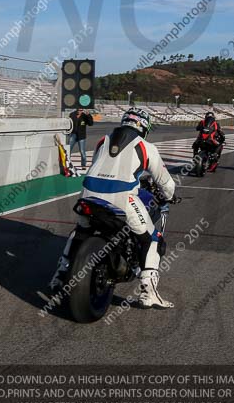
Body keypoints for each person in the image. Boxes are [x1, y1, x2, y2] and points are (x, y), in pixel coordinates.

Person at [51, 108, 177, 308]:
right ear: (144, 126)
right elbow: (167, 184)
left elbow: (99, 166)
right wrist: (170, 196)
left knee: (80, 231)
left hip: (88, 195)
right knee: (152, 239)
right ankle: (148, 292)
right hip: (123, 199)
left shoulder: (103, 140)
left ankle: (60, 274)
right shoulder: (146, 147)